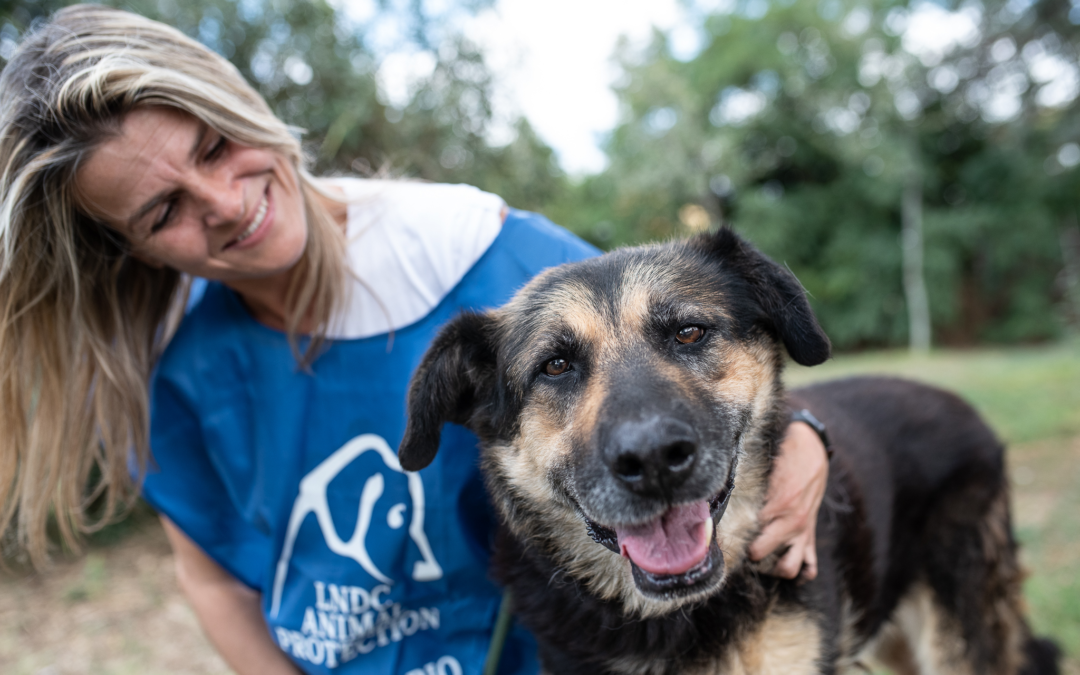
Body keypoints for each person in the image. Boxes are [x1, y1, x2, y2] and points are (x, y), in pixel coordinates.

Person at [0, 6, 829, 674]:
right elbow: (215, 583)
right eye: (163, 212)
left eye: (215, 145)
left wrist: (809, 440)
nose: (222, 202)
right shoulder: (174, 374)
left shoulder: (491, 258)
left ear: (239, 100)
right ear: (131, 249)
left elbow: (675, 368)